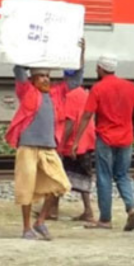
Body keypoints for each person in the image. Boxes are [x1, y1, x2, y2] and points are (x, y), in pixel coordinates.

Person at [5, 40, 85, 240]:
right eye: (41, 76)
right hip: (27, 147)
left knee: (60, 184)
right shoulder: (26, 91)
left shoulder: (56, 93)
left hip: (48, 147)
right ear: (33, 79)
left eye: (48, 76)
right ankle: (26, 228)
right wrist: (26, 48)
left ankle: (40, 221)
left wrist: (80, 53)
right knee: (26, 189)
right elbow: (19, 70)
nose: (46, 80)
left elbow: (76, 79)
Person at [71, 54, 134, 231]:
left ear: (101, 69)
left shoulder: (98, 89)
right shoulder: (129, 87)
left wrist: (76, 141)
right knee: (122, 175)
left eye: (97, 67)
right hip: (126, 138)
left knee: (104, 177)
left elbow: (87, 115)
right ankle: (131, 207)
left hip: (105, 138)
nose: (96, 70)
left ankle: (105, 219)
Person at [48, 68, 96, 222]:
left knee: (58, 175)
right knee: (83, 175)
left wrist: (61, 144)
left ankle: (53, 209)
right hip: (87, 141)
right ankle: (88, 210)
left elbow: (70, 122)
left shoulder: (71, 96)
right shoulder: (85, 94)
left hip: (73, 144)